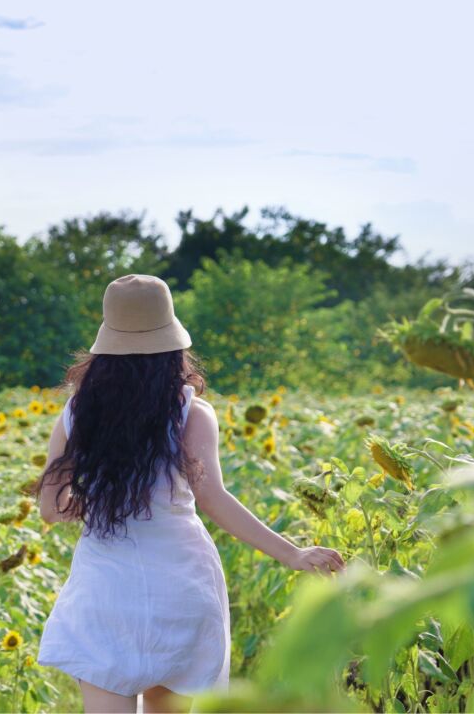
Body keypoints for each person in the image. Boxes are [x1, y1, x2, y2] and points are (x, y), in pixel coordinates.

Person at [35, 273, 345, 713]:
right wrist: (292, 554)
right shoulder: (191, 413)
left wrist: (107, 489)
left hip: (107, 589)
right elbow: (213, 499)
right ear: (172, 345)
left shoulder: (76, 414)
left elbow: (51, 509)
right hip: (181, 585)